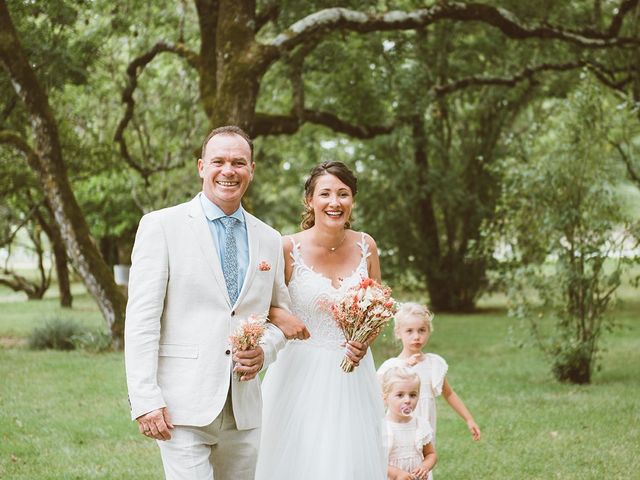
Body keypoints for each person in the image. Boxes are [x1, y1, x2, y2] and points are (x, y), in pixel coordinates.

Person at [124, 125, 308, 480]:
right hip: (182, 404)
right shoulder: (162, 226)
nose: (229, 170)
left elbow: (278, 318)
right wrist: (146, 398)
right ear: (201, 167)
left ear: (251, 170)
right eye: (218, 161)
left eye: (239, 162)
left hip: (244, 409)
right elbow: (141, 320)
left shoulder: (269, 238)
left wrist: (264, 351)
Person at [255, 161, 387, 479]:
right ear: (310, 200)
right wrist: (281, 317)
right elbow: (258, 305)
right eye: (325, 193)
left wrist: (364, 341)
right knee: (298, 460)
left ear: (352, 200)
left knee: (348, 461)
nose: (334, 202)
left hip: (353, 376)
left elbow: (379, 308)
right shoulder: (286, 248)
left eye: (343, 194)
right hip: (297, 372)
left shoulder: (366, 246)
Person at [377, 303, 481, 456]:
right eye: (409, 331)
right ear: (398, 333)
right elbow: (378, 397)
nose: (416, 336)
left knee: (424, 462)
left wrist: (469, 419)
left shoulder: (433, 364)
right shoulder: (392, 366)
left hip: (424, 426)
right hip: (399, 428)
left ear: (429, 331)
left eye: (421, 330)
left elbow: (449, 394)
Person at [381, 366, 437, 480]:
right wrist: (397, 474)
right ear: (385, 398)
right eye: (400, 395)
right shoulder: (381, 427)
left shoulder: (420, 425)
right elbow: (373, 460)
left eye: (412, 395)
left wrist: (424, 466)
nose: (407, 400)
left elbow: (431, 454)